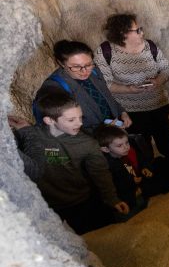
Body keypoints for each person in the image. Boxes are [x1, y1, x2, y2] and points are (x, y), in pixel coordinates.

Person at [9, 92, 128, 234]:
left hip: (82, 201)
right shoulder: (32, 136)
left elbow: (100, 173)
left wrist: (112, 199)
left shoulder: (88, 143)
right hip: (48, 206)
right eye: (71, 120)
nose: (80, 123)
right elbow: (32, 169)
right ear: (49, 121)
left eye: (80, 117)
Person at [95, 13, 169, 179]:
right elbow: (106, 84)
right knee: (140, 144)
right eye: (137, 30)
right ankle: (147, 175)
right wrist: (129, 89)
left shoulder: (149, 46)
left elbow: (168, 69)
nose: (142, 33)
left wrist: (157, 81)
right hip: (130, 110)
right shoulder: (105, 52)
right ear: (123, 33)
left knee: (166, 140)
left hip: (158, 105)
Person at [35, 40, 131, 135]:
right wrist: (102, 131)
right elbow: (61, 127)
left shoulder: (94, 71)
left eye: (88, 64)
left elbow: (106, 97)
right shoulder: (54, 87)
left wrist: (121, 112)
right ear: (61, 63)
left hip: (114, 129)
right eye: (76, 66)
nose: (84, 71)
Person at [95, 124, 163, 217]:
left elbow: (142, 160)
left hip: (140, 185)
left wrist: (145, 168)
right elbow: (112, 184)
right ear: (106, 149)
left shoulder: (129, 151)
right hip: (126, 195)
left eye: (126, 142)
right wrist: (131, 181)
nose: (126, 147)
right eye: (119, 145)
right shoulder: (107, 165)